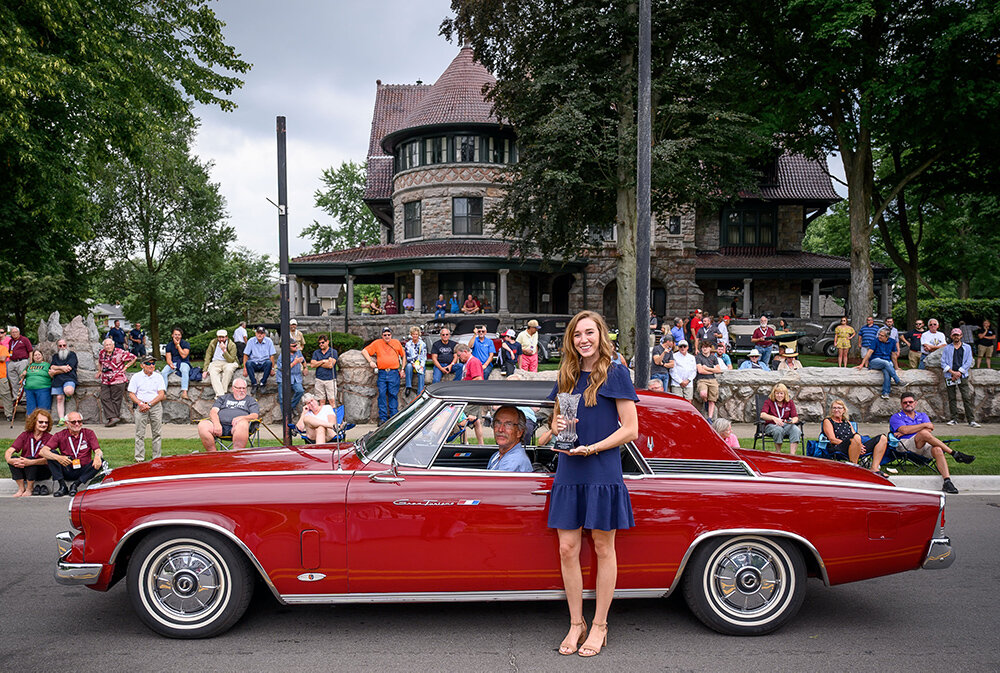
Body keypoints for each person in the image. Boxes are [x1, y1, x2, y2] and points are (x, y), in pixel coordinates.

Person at [548, 310, 638, 658]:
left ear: (601, 335)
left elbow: (631, 428)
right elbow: (551, 429)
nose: (583, 340)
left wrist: (594, 447)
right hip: (569, 469)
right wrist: (554, 429)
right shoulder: (567, 375)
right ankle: (576, 622)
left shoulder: (615, 372)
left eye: (589, 332)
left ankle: (599, 624)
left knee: (603, 548)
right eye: (576, 335)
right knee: (567, 549)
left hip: (602, 467)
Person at [890, 393, 975, 493]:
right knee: (923, 433)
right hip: (905, 444)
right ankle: (954, 454)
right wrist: (923, 425)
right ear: (901, 404)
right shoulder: (896, 417)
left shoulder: (922, 415)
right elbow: (905, 430)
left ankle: (947, 481)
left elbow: (930, 428)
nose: (908, 404)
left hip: (923, 443)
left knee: (937, 449)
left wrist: (909, 430)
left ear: (915, 403)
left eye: (910, 402)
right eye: (905, 402)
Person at [41, 411, 104, 496]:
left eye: (79, 421)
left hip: (83, 470)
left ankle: (75, 485)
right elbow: (43, 451)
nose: (77, 424)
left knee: (101, 461)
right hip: (67, 468)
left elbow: (98, 450)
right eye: (73, 422)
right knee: (51, 454)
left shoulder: (88, 433)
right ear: (67, 423)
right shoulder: (60, 435)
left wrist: (97, 456)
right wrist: (58, 458)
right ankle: (62, 486)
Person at [821, 400, 889, 474]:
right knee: (856, 438)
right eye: (834, 408)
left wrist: (859, 446)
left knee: (882, 438)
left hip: (855, 445)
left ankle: (874, 468)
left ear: (844, 410)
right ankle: (854, 468)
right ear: (831, 410)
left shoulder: (847, 422)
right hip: (839, 446)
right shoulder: (828, 421)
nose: (836, 410)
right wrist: (856, 444)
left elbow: (855, 435)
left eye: (839, 408)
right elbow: (832, 439)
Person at [198, 378, 259, 451]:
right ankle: (213, 454)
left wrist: (242, 418)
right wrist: (217, 424)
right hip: (220, 427)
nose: (242, 390)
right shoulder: (223, 398)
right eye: (239, 388)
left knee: (242, 424)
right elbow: (213, 412)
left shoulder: (250, 400)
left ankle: (236, 455)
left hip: (239, 427)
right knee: (202, 425)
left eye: (244, 388)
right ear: (233, 388)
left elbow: (254, 415)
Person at [5, 409, 54, 497]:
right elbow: (9, 451)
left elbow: (50, 459)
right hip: (25, 467)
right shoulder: (25, 435)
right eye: (41, 422)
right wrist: (9, 460)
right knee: (14, 458)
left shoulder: (50, 438)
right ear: (34, 422)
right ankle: (21, 488)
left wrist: (31, 462)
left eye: (46, 422)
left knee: (31, 458)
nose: (44, 425)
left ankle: (29, 488)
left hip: (42, 471)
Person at [362, 327, 406, 424]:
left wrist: (402, 369)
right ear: (382, 335)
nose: (387, 336)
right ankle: (383, 418)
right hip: (382, 372)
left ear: (391, 335)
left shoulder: (396, 343)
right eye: (385, 335)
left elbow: (403, 355)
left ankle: (394, 417)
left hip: (394, 372)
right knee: (381, 394)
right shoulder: (377, 343)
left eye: (388, 334)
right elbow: (364, 351)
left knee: (393, 394)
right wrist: (370, 362)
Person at [127, 355, 166, 462]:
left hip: (155, 406)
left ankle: (157, 458)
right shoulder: (136, 377)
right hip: (140, 407)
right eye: (148, 363)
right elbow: (131, 394)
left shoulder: (158, 377)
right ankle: (139, 458)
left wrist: (149, 404)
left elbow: (161, 394)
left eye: (153, 363)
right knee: (139, 433)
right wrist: (140, 404)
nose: (151, 365)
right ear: (142, 365)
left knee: (157, 433)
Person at [941, 327, 980, 427]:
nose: (956, 337)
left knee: (966, 397)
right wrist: (952, 373)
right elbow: (943, 362)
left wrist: (959, 373)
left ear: (961, 336)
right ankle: (953, 419)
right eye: (954, 335)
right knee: (951, 398)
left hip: (962, 376)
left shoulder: (967, 347)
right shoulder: (947, 348)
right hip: (950, 375)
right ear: (951, 336)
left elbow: (968, 362)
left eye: (957, 335)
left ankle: (971, 420)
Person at [856, 328, 905, 399]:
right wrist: (862, 364)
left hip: (886, 362)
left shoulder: (893, 342)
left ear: (887, 337)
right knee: (886, 363)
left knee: (887, 371)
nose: (879, 336)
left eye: (882, 336)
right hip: (875, 361)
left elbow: (894, 355)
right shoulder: (875, 341)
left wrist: (896, 367)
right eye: (879, 335)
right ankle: (897, 380)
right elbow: (869, 352)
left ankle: (885, 393)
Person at [97, 337, 136, 427]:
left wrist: (125, 368)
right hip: (105, 379)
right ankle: (113, 417)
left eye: (110, 344)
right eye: (106, 345)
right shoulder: (102, 353)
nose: (108, 346)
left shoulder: (120, 352)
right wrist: (99, 371)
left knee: (116, 400)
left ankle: (113, 419)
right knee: (104, 397)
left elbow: (133, 357)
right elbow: (100, 362)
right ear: (104, 346)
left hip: (118, 379)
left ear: (113, 345)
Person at [454, 344, 485, 444]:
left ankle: (465, 443)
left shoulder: (474, 362)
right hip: (470, 395)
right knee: (476, 421)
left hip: (473, 395)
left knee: (462, 419)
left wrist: (465, 386)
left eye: (459, 355)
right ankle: (480, 444)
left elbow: (478, 379)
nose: (459, 358)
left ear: (465, 352)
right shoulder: (468, 362)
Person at [487, 406, 533, 472]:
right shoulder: (498, 455)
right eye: (498, 423)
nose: (500, 429)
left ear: (519, 432)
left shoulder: (513, 463)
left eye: (508, 425)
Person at [760, 383, 801, 455]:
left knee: (796, 430)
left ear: (785, 394)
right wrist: (773, 418)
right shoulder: (769, 402)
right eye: (777, 393)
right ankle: (778, 453)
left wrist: (792, 421)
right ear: (774, 394)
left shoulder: (790, 402)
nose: (779, 395)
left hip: (786, 424)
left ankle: (792, 455)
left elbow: (795, 417)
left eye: (781, 393)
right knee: (778, 430)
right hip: (772, 425)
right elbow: (762, 415)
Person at [203, 329, 240, 397]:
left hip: (228, 362)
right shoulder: (213, 343)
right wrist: (205, 369)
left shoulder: (232, 345)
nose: (221, 339)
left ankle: (221, 395)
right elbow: (208, 355)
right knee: (213, 372)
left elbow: (231, 360)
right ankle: (221, 395)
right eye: (219, 337)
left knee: (229, 370)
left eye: (223, 337)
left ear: (226, 337)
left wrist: (224, 350)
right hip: (216, 362)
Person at [49, 339, 78, 425]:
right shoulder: (55, 356)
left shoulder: (72, 355)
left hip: (69, 377)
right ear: (57, 347)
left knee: (68, 391)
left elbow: (69, 368)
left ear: (67, 345)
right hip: (58, 379)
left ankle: (68, 395)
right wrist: (62, 368)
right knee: (59, 398)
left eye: (64, 345)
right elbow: (51, 367)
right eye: (60, 346)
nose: (62, 347)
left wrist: (55, 371)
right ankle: (61, 419)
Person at [6, 326, 33, 416]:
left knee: (23, 379)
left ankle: (24, 398)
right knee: (13, 381)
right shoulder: (11, 341)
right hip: (12, 361)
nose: (14, 334)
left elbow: (30, 350)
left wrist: (30, 361)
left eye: (15, 332)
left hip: (22, 361)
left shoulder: (24, 339)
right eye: (12, 332)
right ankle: (16, 397)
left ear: (18, 332)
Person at [243, 326, 277, 394]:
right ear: (256, 333)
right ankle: (254, 384)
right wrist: (244, 369)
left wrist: (272, 368)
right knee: (248, 363)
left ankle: (262, 383)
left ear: (264, 334)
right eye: (258, 333)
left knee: (268, 362)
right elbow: (246, 355)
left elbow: (272, 356)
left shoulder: (269, 341)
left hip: (264, 364)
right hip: (254, 363)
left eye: (262, 333)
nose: (260, 335)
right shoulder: (251, 341)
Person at [161, 327, 192, 399]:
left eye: (179, 335)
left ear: (181, 336)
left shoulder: (185, 344)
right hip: (173, 362)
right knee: (163, 372)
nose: (177, 336)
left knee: (185, 370)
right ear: (172, 335)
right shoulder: (169, 345)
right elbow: (168, 358)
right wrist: (170, 364)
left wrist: (178, 345)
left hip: (184, 362)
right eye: (175, 334)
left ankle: (184, 392)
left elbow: (184, 355)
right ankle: (163, 393)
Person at [695, 341, 722, 420]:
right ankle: (705, 401)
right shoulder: (698, 357)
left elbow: (719, 370)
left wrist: (707, 368)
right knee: (703, 394)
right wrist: (713, 370)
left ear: (710, 348)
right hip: (702, 379)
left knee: (712, 399)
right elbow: (700, 371)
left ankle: (709, 418)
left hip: (712, 379)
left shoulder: (713, 357)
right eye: (703, 347)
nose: (705, 349)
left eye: (706, 347)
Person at [276, 341, 306, 410]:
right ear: (288, 347)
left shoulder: (298, 352)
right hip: (283, 378)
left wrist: (305, 367)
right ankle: (285, 417)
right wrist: (294, 363)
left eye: (296, 345)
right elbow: (283, 368)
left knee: (300, 391)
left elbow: (303, 360)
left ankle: (291, 407)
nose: (296, 347)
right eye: (294, 346)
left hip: (296, 377)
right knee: (282, 398)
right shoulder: (282, 355)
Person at [309, 335, 339, 406]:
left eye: (322, 342)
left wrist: (318, 363)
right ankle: (322, 417)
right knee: (321, 401)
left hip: (330, 380)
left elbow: (330, 365)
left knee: (332, 401)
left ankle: (333, 416)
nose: (321, 344)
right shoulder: (316, 352)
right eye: (319, 343)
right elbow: (312, 365)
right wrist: (323, 361)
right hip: (319, 379)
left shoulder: (333, 352)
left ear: (327, 342)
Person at [21, 349, 52, 415]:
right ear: (33, 357)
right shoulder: (29, 366)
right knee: (30, 409)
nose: (37, 356)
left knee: (43, 409)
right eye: (35, 355)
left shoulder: (47, 365)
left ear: (42, 356)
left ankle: (43, 422)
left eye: (39, 355)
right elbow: (22, 375)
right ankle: (31, 423)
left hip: (43, 389)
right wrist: (23, 373)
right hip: (29, 390)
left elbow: (52, 375)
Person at [404, 326, 427, 394]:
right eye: (413, 334)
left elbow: (423, 356)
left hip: (419, 362)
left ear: (418, 334)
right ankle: (408, 386)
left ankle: (420, 392)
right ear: (411, 335)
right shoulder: (408, 344)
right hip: (411, 362)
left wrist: (421, 365)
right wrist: (413, 363)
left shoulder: (422, 344)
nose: (415, 336)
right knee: (408, 367)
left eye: (416, 334)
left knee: (421, 371)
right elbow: (408, 356)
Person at [0, 331, 10, 423]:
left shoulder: (2, 348)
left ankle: (9, 414)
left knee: (6, 395)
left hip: (1, 376)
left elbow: (3, 358)